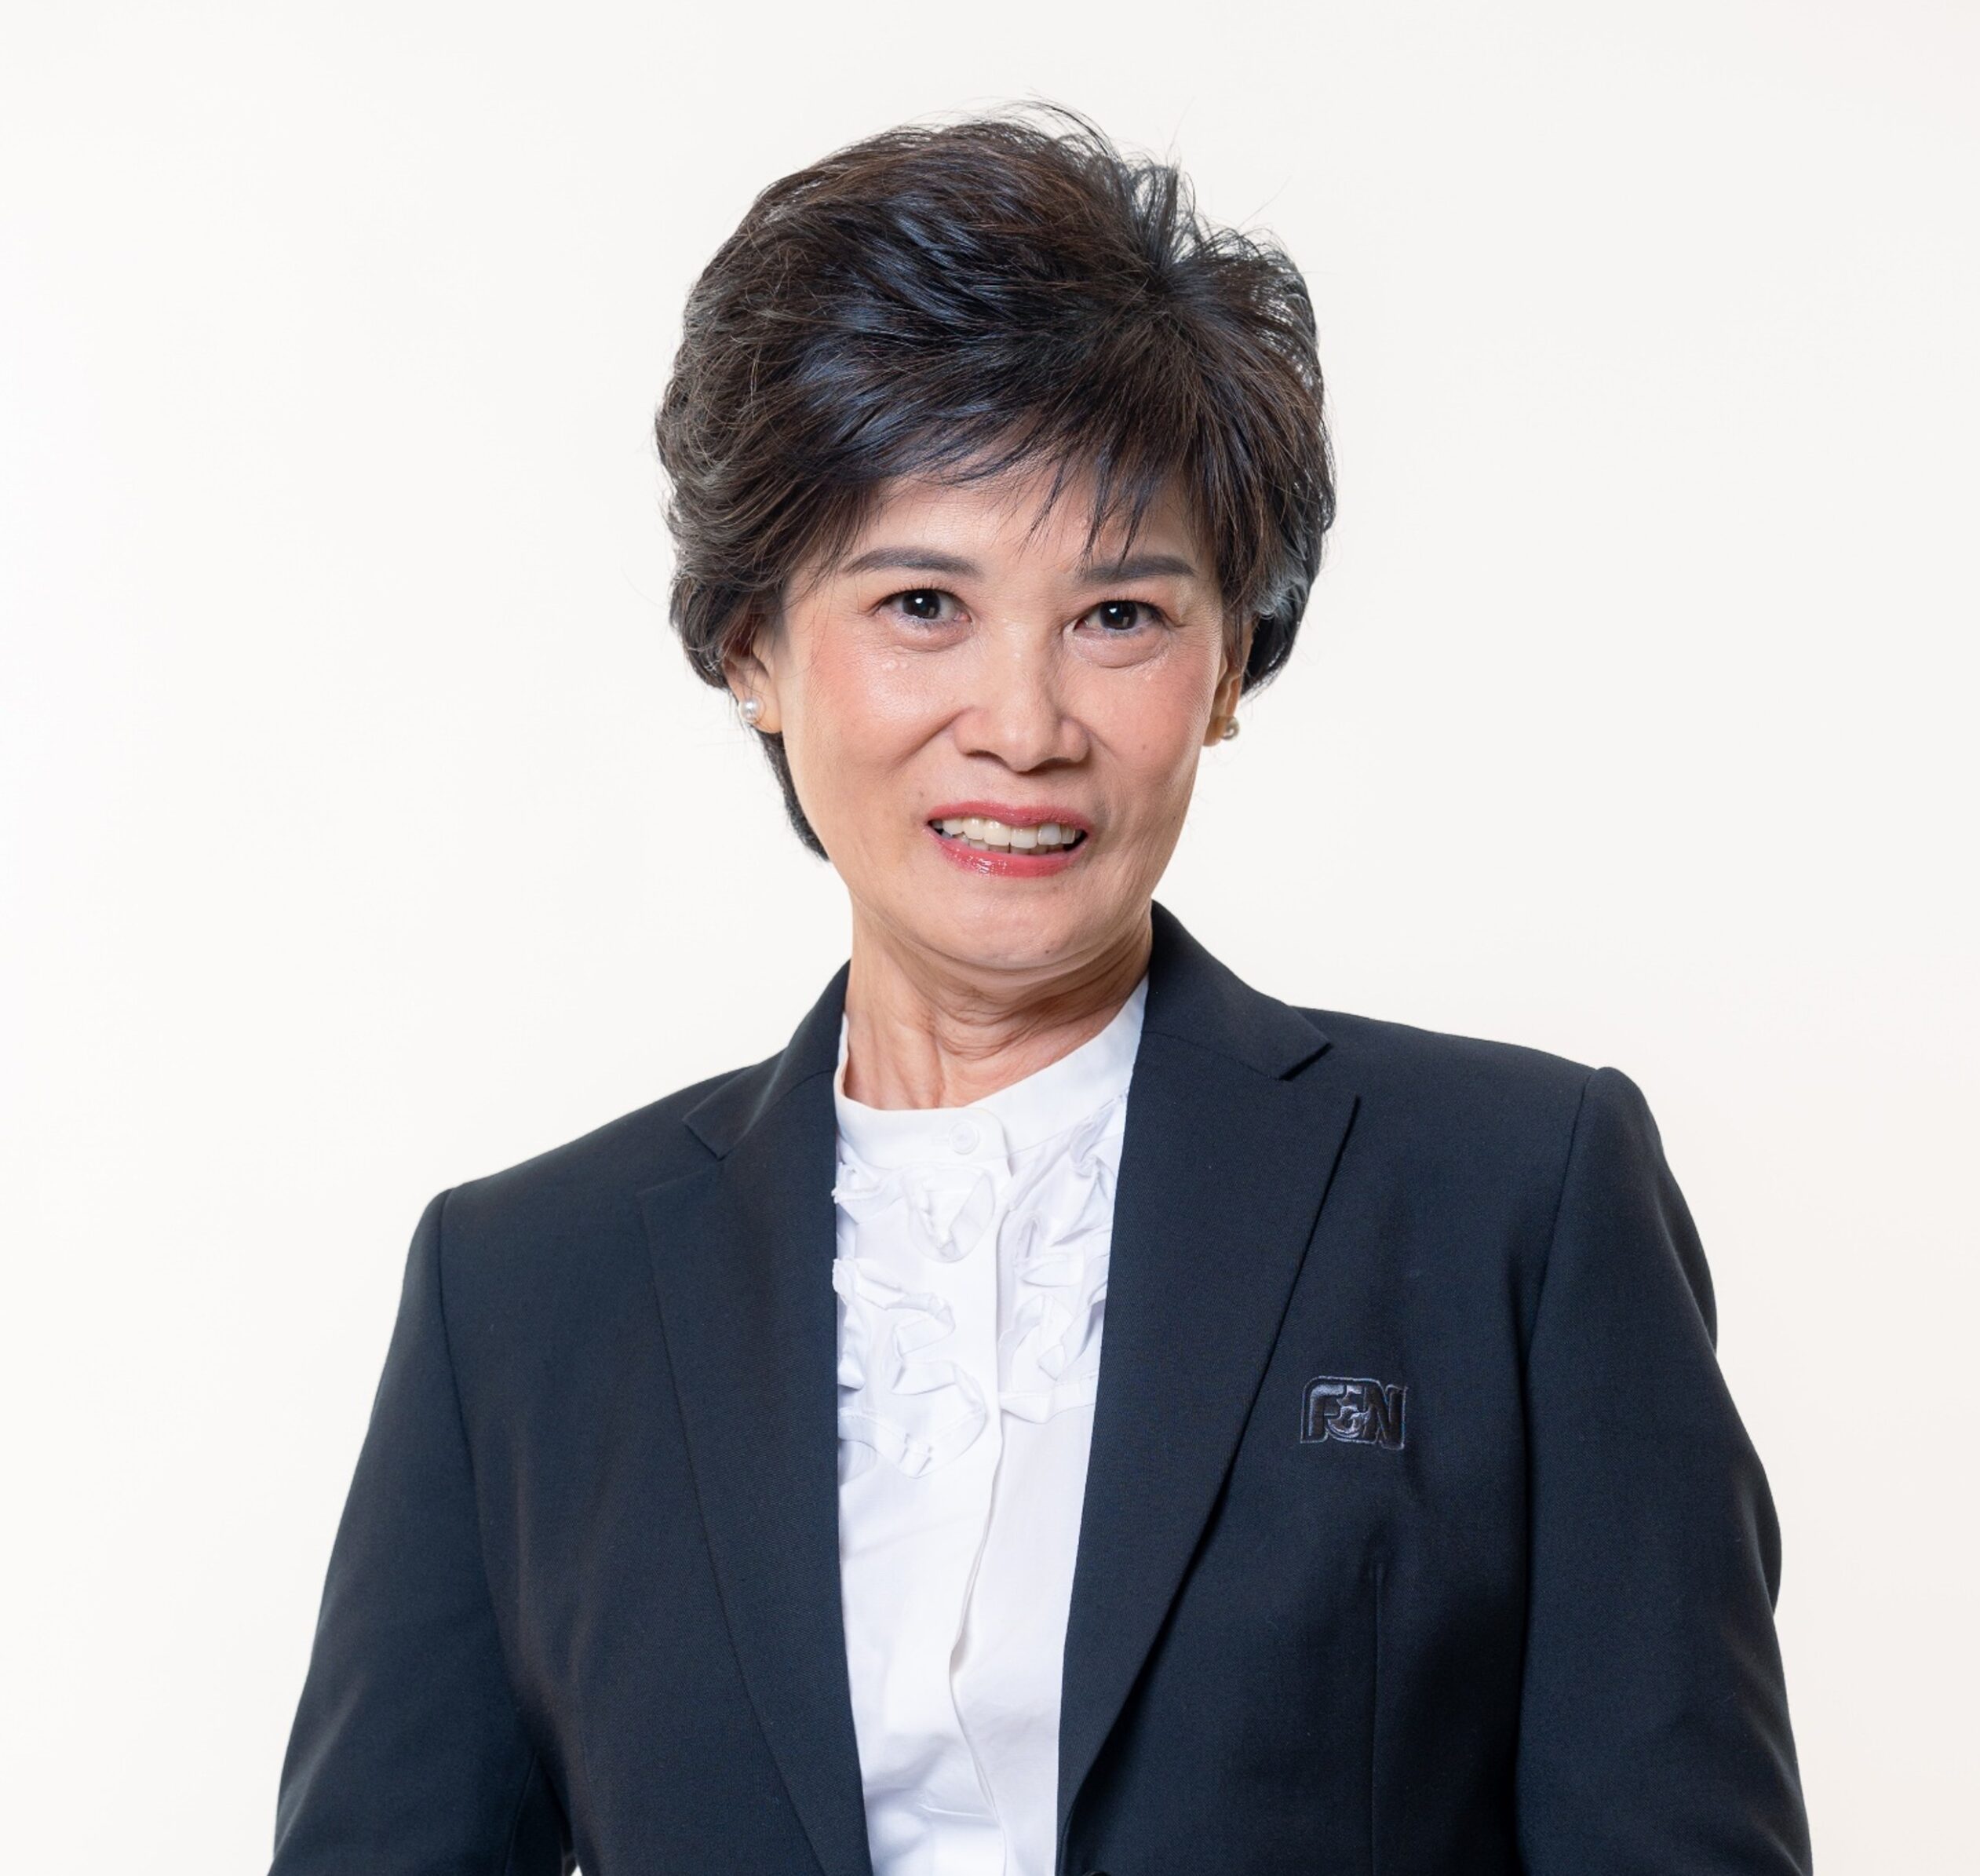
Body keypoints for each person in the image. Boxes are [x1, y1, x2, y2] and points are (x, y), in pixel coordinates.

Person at [268, 104, 1813, 1876]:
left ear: (1228, 664)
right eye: (923, 602)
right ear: (752, 648)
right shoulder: (523, 1294)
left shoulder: (1512, 1198)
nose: (1022, 725)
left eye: (1120, 616)